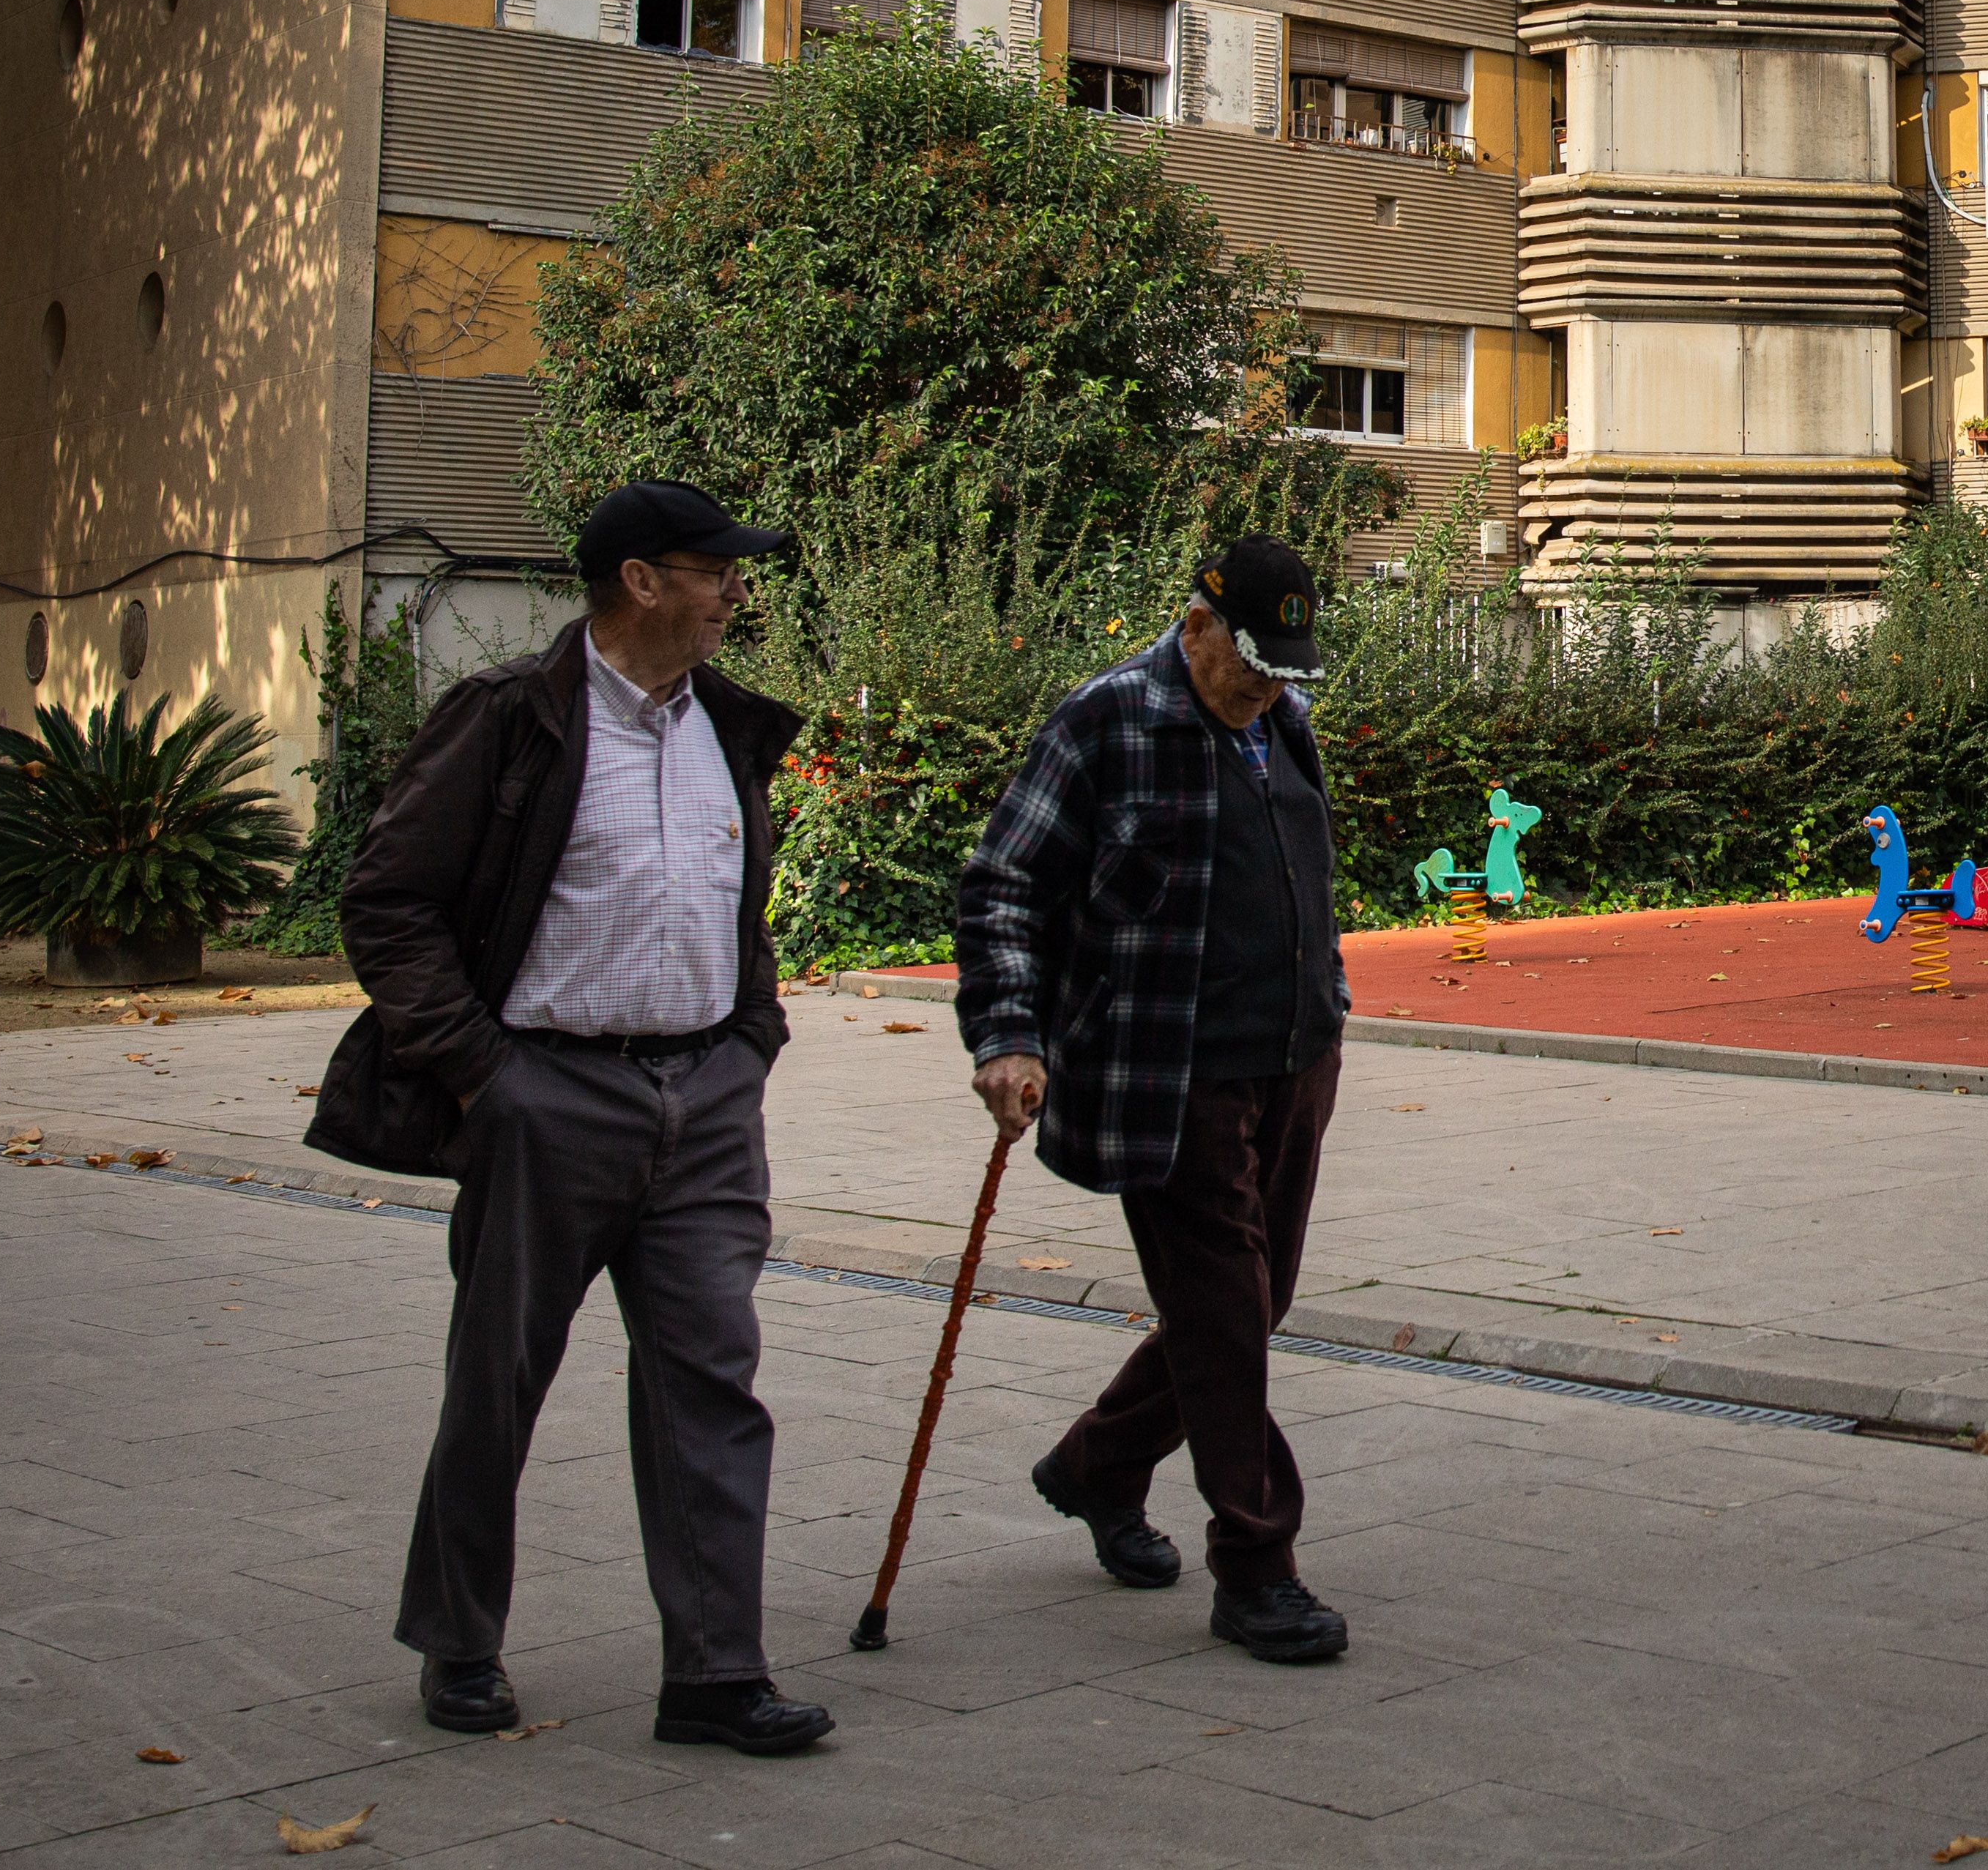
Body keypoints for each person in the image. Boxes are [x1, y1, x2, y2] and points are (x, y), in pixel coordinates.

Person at [305, 480, 835, 1757]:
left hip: (704, 1100)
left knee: (713, 1380)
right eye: (714, 571)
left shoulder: (728, 728)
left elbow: (736, 904)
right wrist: (488, 1073)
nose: (733, 593)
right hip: (547, 1095)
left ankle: (714, 1673)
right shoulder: (511, 719)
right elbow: (387, 902)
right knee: (499, 1379)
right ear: (642, 581)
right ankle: (459, 1638)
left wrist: (749, 1036)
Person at [954, 535, 1355, 1665]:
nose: (1268, 687)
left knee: (1250, 1299)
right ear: (1194, 629)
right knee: (1227, 1311)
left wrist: (1326, 991)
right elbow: (1002, 887)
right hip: (1165, 1070)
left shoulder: (1280, 719)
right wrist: (1008, 1034)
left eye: (1286, 669)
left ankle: (1096, 1465)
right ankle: (1257, 1564)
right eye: (1250, 665)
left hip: (1292, 1057)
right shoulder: (1105, 721)